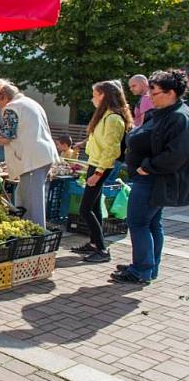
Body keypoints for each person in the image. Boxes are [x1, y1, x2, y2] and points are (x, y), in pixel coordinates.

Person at [112, 70, 189, 284]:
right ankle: (147, 267)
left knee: (138, 222)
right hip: (150, 178)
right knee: (152, 223)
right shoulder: (163, 112)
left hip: (153, 179)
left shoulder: (178, 116)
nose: (150, 97)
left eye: (154, 93)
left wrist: (148, 167)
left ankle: (141, 270)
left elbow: (177, 154)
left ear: (171, 93)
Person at [70, 80, 133, 263]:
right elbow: (100, 143)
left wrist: (97, 173)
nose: (92, 99)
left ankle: (103, 250)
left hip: (101, 167)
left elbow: (111, 150)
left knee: (85, 208)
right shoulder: (105, 115)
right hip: (95, 163)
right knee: (94, 206)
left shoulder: (113, 118)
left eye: (95, 95)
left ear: (104, 96)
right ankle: (94, 244)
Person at [0, 80, 59, 227]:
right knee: (22, 195)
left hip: (33, 160)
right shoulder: (30, 103)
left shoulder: (11, 107)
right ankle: (27, 231)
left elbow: (7, 136)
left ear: (4, 96)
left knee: (32, 203)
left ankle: (36, 235)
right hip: (43, 156)